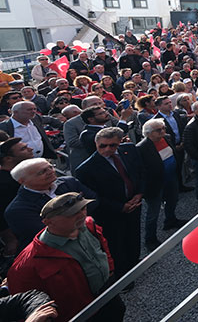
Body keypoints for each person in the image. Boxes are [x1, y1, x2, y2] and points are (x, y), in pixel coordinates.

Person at [7, 192, 126, 321]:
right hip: (81, 315)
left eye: (83, 208)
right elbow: (23, 305)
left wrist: (110, 272)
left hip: (108, 294)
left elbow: (103, 248)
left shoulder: (89, 224)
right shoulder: (27, 265)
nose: (81, 215)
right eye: (72, 214)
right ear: (48, 222)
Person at [74, 127, 143, 278]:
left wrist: (139, 194)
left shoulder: (129, 150)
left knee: (134, 236)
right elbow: (93, 197)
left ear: (120, 142)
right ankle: (123, 276)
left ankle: (135, 263)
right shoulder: (85, 169)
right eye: (103, 146)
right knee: (116, 244)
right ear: (96, 143)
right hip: (111, 213)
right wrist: (121, 207)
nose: (108, 149)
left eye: (113, 145)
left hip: (134, 205)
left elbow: (139, 172)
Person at [5, 158, 96, 251]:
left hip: (90, 241)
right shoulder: (18, 210)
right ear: (22, 181)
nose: (51, 172)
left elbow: (93, 201)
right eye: (42, 172)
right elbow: (49, 233)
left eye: (51, 167)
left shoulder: (69, 182)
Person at [137, 119, 187, 251]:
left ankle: (170, 220)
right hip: (155, 183)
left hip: (171, 177)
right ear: (148, 133)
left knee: (173, 199)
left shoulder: (167, 138)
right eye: (159, 130)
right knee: (153, 212)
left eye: (163, 128)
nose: (163, 131)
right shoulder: (141, 148)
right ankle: (150, 239)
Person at [0, 137, 34, 256]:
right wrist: (9, 238)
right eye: (23, 149)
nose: (30, 149)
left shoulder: (24, 174)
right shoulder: (3, 184)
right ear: (8, 158)